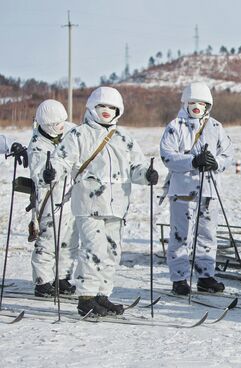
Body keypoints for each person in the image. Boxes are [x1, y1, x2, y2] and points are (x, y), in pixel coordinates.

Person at [42, 86, 159, 316]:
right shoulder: (79, 135)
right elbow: (62, 160)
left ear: (119, 110)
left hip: (116, 207)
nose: (106, 111)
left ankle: (102, 294)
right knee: (93, 250)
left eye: (111, 107)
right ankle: (86, 297)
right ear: (92, 108)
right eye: (101, 106)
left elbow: (136, 167)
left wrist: (147, 175)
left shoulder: (124, 138)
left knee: (112, 252)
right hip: (89, 205)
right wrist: (52, 171)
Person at [159, 82, 233, 295]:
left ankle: (205, 275)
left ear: (208, 105)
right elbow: (168, 155)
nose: (197, 107)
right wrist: (192, 161)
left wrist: (215, 162)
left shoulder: (216, 127)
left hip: (209, 191)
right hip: (183, 191)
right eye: (192, 103)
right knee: (181, 236)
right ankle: (179, 278)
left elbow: (228, 153)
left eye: (201, 103)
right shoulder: (176, 126)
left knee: (207, 235)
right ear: (185, 103)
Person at [27, 99, 79, 297]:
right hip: (51, 198)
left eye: (62, 122)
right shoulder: (37, 145)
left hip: (72, 195)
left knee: (69, 240)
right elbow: (37, 173)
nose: (60, 127)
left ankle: (62, 277)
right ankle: (42, 281)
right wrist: (46, 175)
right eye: (54, 124)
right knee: (48, 240)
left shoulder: (71, 132)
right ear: (45, 125)